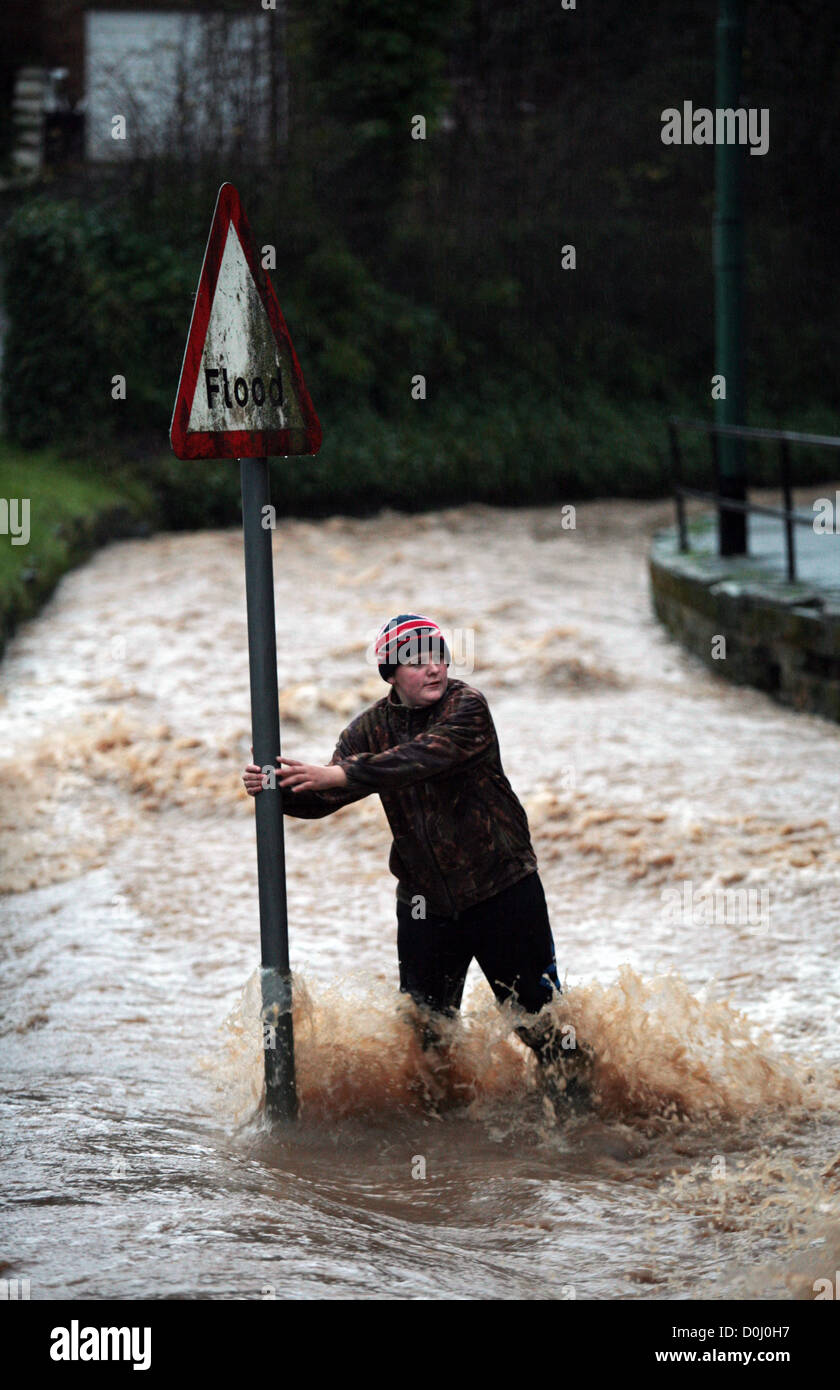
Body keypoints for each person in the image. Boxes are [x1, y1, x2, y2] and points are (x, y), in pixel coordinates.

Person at [242, 613, 593, 1114]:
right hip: (426, 905)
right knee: (429, 1035)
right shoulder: (368, 729)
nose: (433, 669)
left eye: (439, 655)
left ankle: (584, 1120)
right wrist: (277, 789)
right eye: (416, 661)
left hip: (502, 891)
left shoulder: (467, 708)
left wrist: (337, 774)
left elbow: (418, 759)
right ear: (390, 674)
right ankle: (447, 1141)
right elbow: (325, 798)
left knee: (540, 1023)